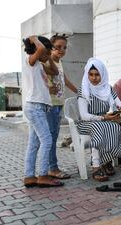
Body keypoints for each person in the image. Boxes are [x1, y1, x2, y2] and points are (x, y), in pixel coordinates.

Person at [22, 35, 64, 187]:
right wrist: (34, 38)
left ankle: (29, 176)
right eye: (47, 52)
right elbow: (39, 49)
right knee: (47, 140)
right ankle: (43, 175)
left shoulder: (39, 65)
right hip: (35, 107)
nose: (47, 55)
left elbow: (55, 71)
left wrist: (49, 57)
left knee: (34, 143)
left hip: (38, 107)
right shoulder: (30, 61)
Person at [76, 58, 121, 182]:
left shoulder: (107, 88)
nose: (94, 78)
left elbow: (120, 104)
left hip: (103, 120)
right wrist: (103, 118)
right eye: (91, 74)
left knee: (115, 127)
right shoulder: (84, 89)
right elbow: (83, 115)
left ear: (102, 74)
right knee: (100, 127)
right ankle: (96, 166)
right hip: (86, 123)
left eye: (97, 74)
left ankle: (106, 160)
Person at [42, 34, 77, 180]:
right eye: (58, 47)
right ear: (51, 47)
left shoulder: (59, 63)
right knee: (50, 137)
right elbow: (41, 77)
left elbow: (64, 79)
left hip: (58, 104)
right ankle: (52, 168)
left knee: (53, 135)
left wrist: (77, 91)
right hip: (50, 104)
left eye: (64, 47)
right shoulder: (47, 62)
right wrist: (47, 87)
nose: (61, 50)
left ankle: (51, 167)